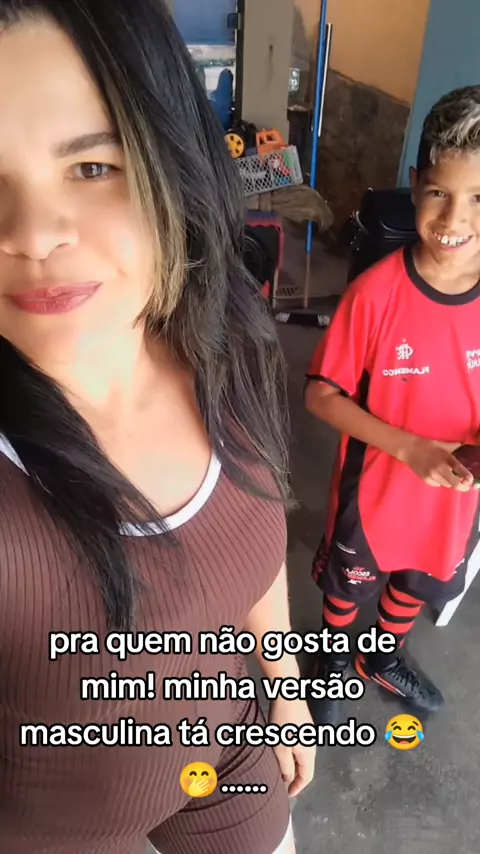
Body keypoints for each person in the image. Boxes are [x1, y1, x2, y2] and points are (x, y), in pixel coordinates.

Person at [0, 2, 316, 852]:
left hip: (229, 746)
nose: (33, 235)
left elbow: (252, 540)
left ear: (169, 164)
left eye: (91, 167)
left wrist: (284, 687)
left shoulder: (230, 350)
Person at [304, 85, 480, 727]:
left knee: (416, 580)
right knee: (348, 587)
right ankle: (329, 660)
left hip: (453, 499)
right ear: (414, 184)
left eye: (478, 198)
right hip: (375, 489)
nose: (454, 219)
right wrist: (408, 447)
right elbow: (319, 394)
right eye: (438, 193)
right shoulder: (376, 295)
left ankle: (380, 657)